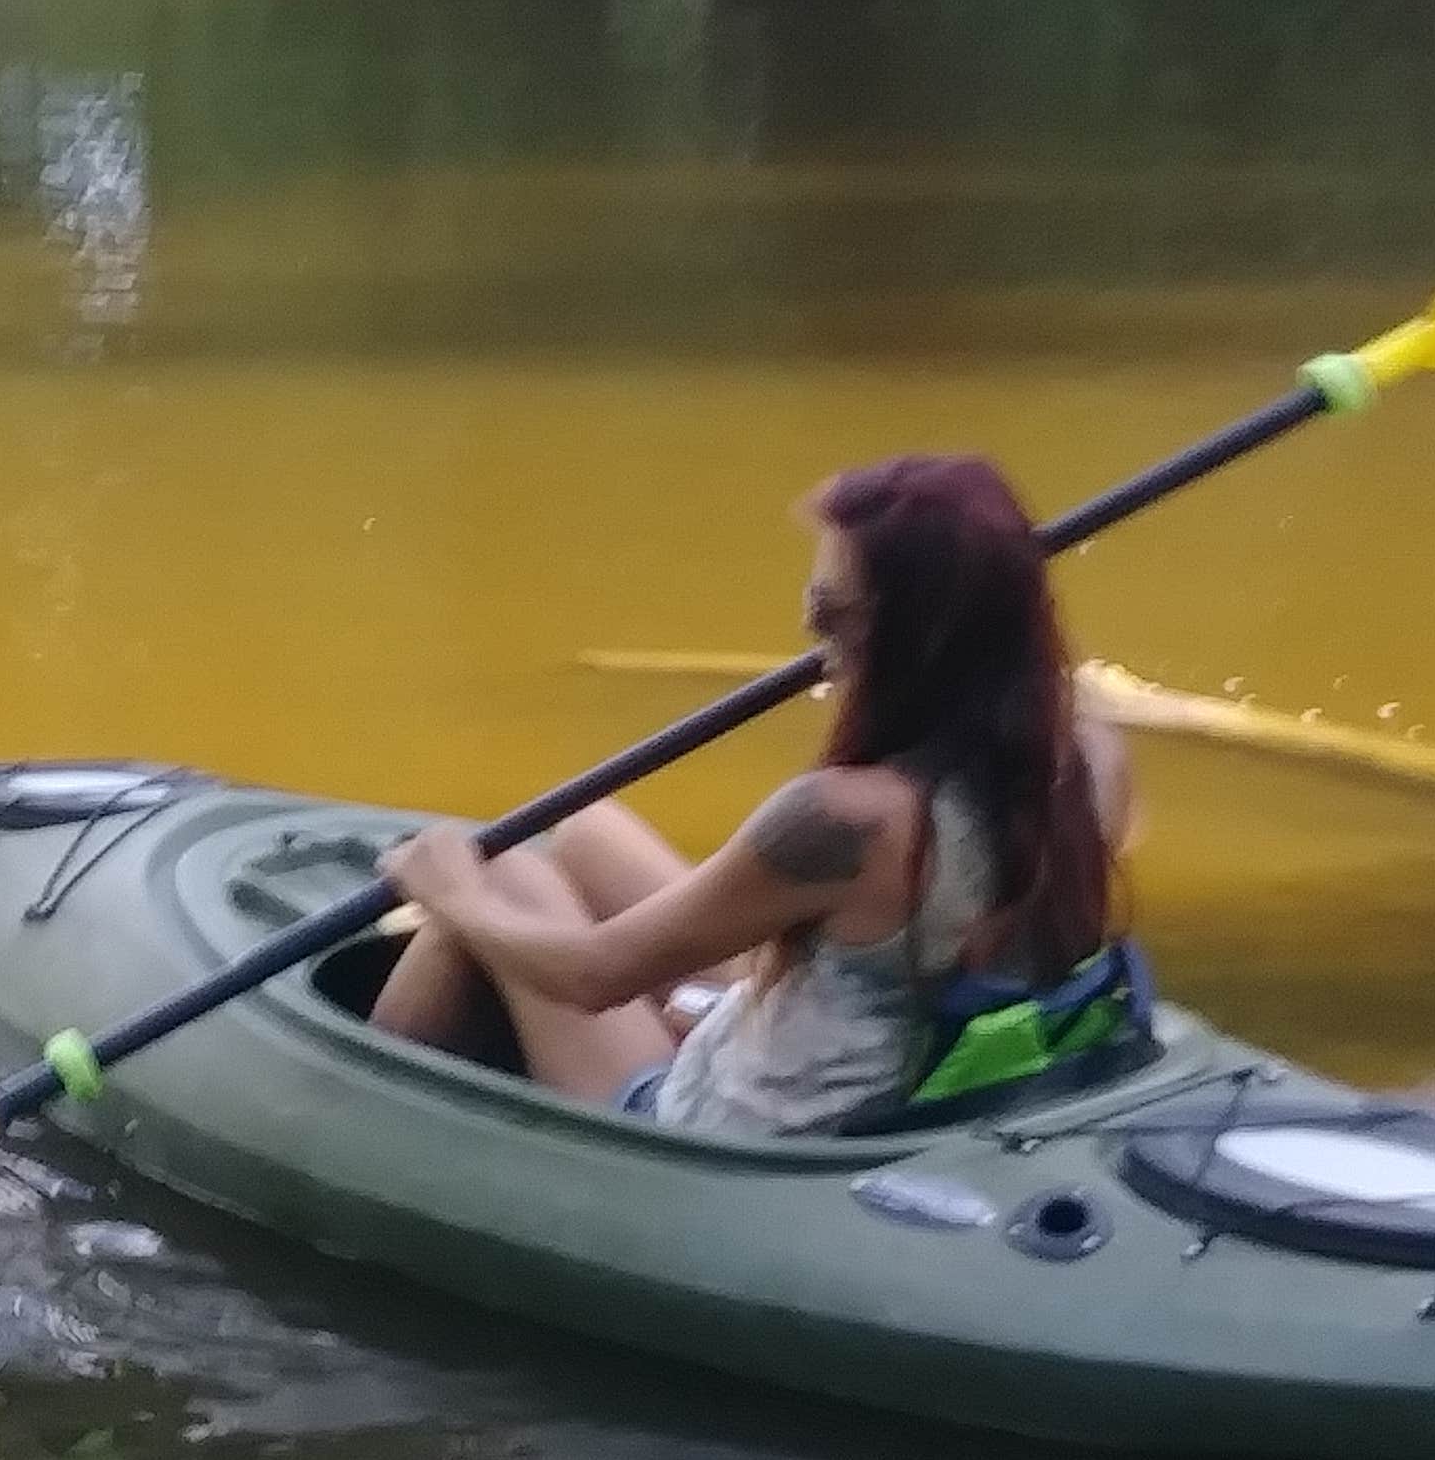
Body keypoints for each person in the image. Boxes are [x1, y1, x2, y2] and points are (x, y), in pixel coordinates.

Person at [372, 453, 1136, 1135]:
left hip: (739, 1129)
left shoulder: (843, 822)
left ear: (919, 640)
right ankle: (700, 1013)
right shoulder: (1091, 758)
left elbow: (593, 976)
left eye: (833, 613)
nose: (808, 628)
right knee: (585, 832)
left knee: (503, 872)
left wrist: (453, 895)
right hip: (899, 1040)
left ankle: (362, 1100)